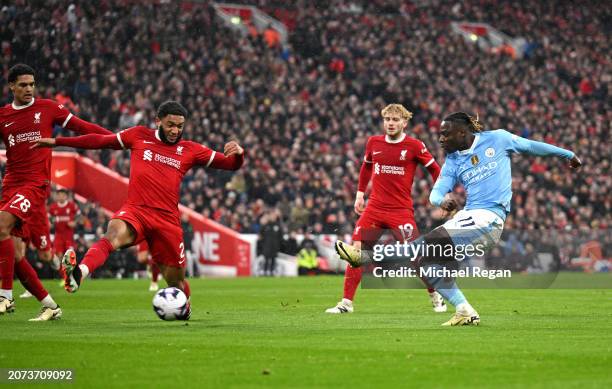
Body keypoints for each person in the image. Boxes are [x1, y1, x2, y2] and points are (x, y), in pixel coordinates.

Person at [335, 111, 581, 325]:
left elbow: (531, 146)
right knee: (425, 264)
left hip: (488, 217)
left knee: (426, 244)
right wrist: (442, 200)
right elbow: (436, 193)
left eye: (446, 134)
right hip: (470, 219)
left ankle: (364, 257)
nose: (441, 139)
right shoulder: (452, 161)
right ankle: (464, 311)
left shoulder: (499, 138)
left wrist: (567, 154)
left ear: (463, 133)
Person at [34, 100, 245, 320]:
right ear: (158, 121)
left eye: (179, 126)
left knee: (176, 283)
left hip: (167, 221)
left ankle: (183, 308)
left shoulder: (191, 150)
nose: (175, 130)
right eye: (170, 124)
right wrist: (57, 141)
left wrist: (239, 154)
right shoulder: (138, 135)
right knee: (112, 234)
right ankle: (80, 273)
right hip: (137, 211)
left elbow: (231, 164)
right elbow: (100, 141)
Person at [0, 64, 113, 321]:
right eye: (23, 85)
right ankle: (51, 306)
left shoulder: (48, 108)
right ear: (11, 87)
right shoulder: (3, 116)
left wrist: (117, 139)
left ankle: (5, 296)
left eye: (32, 84)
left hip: (35, 183)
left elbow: (82, 127)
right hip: (10, 184)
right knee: (15, 255)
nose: (29, 89)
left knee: (1, 226)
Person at [326, 104, 445, 314]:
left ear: (404, 123)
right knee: (356, 253)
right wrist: (360, 193)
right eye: (387, 119)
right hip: (374, 209)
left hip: (400, 211)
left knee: (416, 258)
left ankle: (435, 295)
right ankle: (346, 303)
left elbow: (435, 169)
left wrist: (440, 193)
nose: (390, 123)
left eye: (395, 120)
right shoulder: (374, 142)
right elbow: (366, 166)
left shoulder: (415, 146)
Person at [20, 188, 79, 299]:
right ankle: (25, 289)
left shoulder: (70, 205)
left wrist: (74, 222)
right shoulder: (53, 207)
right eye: (59, 195)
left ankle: (67, 275)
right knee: (20, 256)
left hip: (44, 226)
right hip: (24, 221)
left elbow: (79, 216)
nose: (60, 197)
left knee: (48, 256)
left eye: (62, 195)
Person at [259, 210, 283, 276]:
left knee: (273, 259)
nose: (273, 217)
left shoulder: (278, 226)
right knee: (266, 259)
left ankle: (272, 271)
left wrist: (278, 244)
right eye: (272, 215)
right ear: (269, 216)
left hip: (275, 246)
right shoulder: (266, 225)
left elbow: (281, 236)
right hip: (267, 246)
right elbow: (261, 235)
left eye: (274, 216)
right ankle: (265, 271)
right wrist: (263, 244)